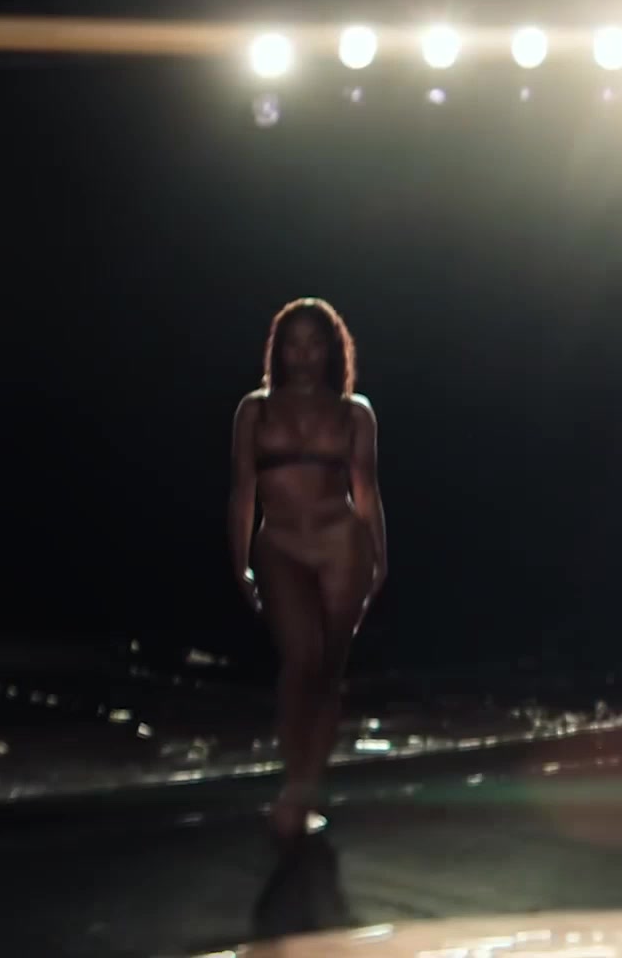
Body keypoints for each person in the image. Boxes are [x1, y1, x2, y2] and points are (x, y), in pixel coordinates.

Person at [229, 298, 388, 839]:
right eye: (294, 344)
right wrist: (239, 560)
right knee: (301, 661)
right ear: (278, 349)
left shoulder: (355, 412)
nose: (304, 355)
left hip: (342, 545)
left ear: (332, 350)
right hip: (280, 546)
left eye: (315, 343)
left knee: (328, 673)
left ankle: (306, 792)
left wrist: (381, 557)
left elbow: (366, 489)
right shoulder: (254, 410)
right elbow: (242, 490)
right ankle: (293, 787)